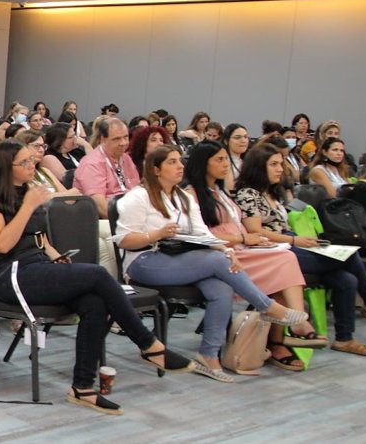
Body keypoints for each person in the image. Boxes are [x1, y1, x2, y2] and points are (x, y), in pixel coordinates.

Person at [0, 140, 194, 415]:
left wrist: (56, 256)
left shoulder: (27, 193)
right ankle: (149, 344)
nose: (33, 165)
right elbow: (1, 244)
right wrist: (28, 207)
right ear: (6, 168)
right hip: (7, 276)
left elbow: (39, 239)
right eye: (25, 162)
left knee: (94, 303)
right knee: (98, 274)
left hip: (37, 266)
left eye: (32, 160)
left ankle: (82, 387)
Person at [115, 145, 309, 382]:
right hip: (144, 260)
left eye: (180, 161)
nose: (180, 166)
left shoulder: (184, 197)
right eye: (172, 162)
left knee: (221, 287)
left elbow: (203, 235)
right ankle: (266, 306)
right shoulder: (138, 197)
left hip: (182, 257)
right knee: (217, 261)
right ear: (156, 170)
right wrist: (156, 234)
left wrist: (227, 250)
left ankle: (208, 355)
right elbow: (124, 240)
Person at [236, 143, 366, 357]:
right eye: (274, 164)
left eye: (281, 164)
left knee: (347, 280)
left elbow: (282, 226)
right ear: (259, 167)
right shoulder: (248, 193)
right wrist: (295, 240)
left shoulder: (273, 192)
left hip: (289, 245)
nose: (280, 169)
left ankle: (344, 339)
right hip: (275, 254)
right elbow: (255, 231)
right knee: (349, 255)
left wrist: (302, 240)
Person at [185, 141, 327, 372]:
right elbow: (201, 236)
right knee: (286, 260)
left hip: (241, 246)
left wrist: (254, 240)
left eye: (226, 159)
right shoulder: (191, 194)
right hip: (220, 253)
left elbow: (237, 225)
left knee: (284, 266)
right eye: (219, 160)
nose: (226, 164)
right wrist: (243, 238)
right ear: (203, 164)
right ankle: (296, 324)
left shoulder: (220, 191)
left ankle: (285, 335)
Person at [73, 118, 139, 219]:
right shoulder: (92, 163)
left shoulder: (126, 158)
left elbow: (137, 190)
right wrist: (130, 220)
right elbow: (101, 208)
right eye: (117, 139)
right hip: (104, 220)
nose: (123, 143)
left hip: (130, 212)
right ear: (103, 139)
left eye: (125, 137)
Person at [221, 123, 250, 192]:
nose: (243, 141)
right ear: (226, 141)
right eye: (237, 137)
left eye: (245, 137)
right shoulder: (222, 162)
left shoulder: (249, 161)